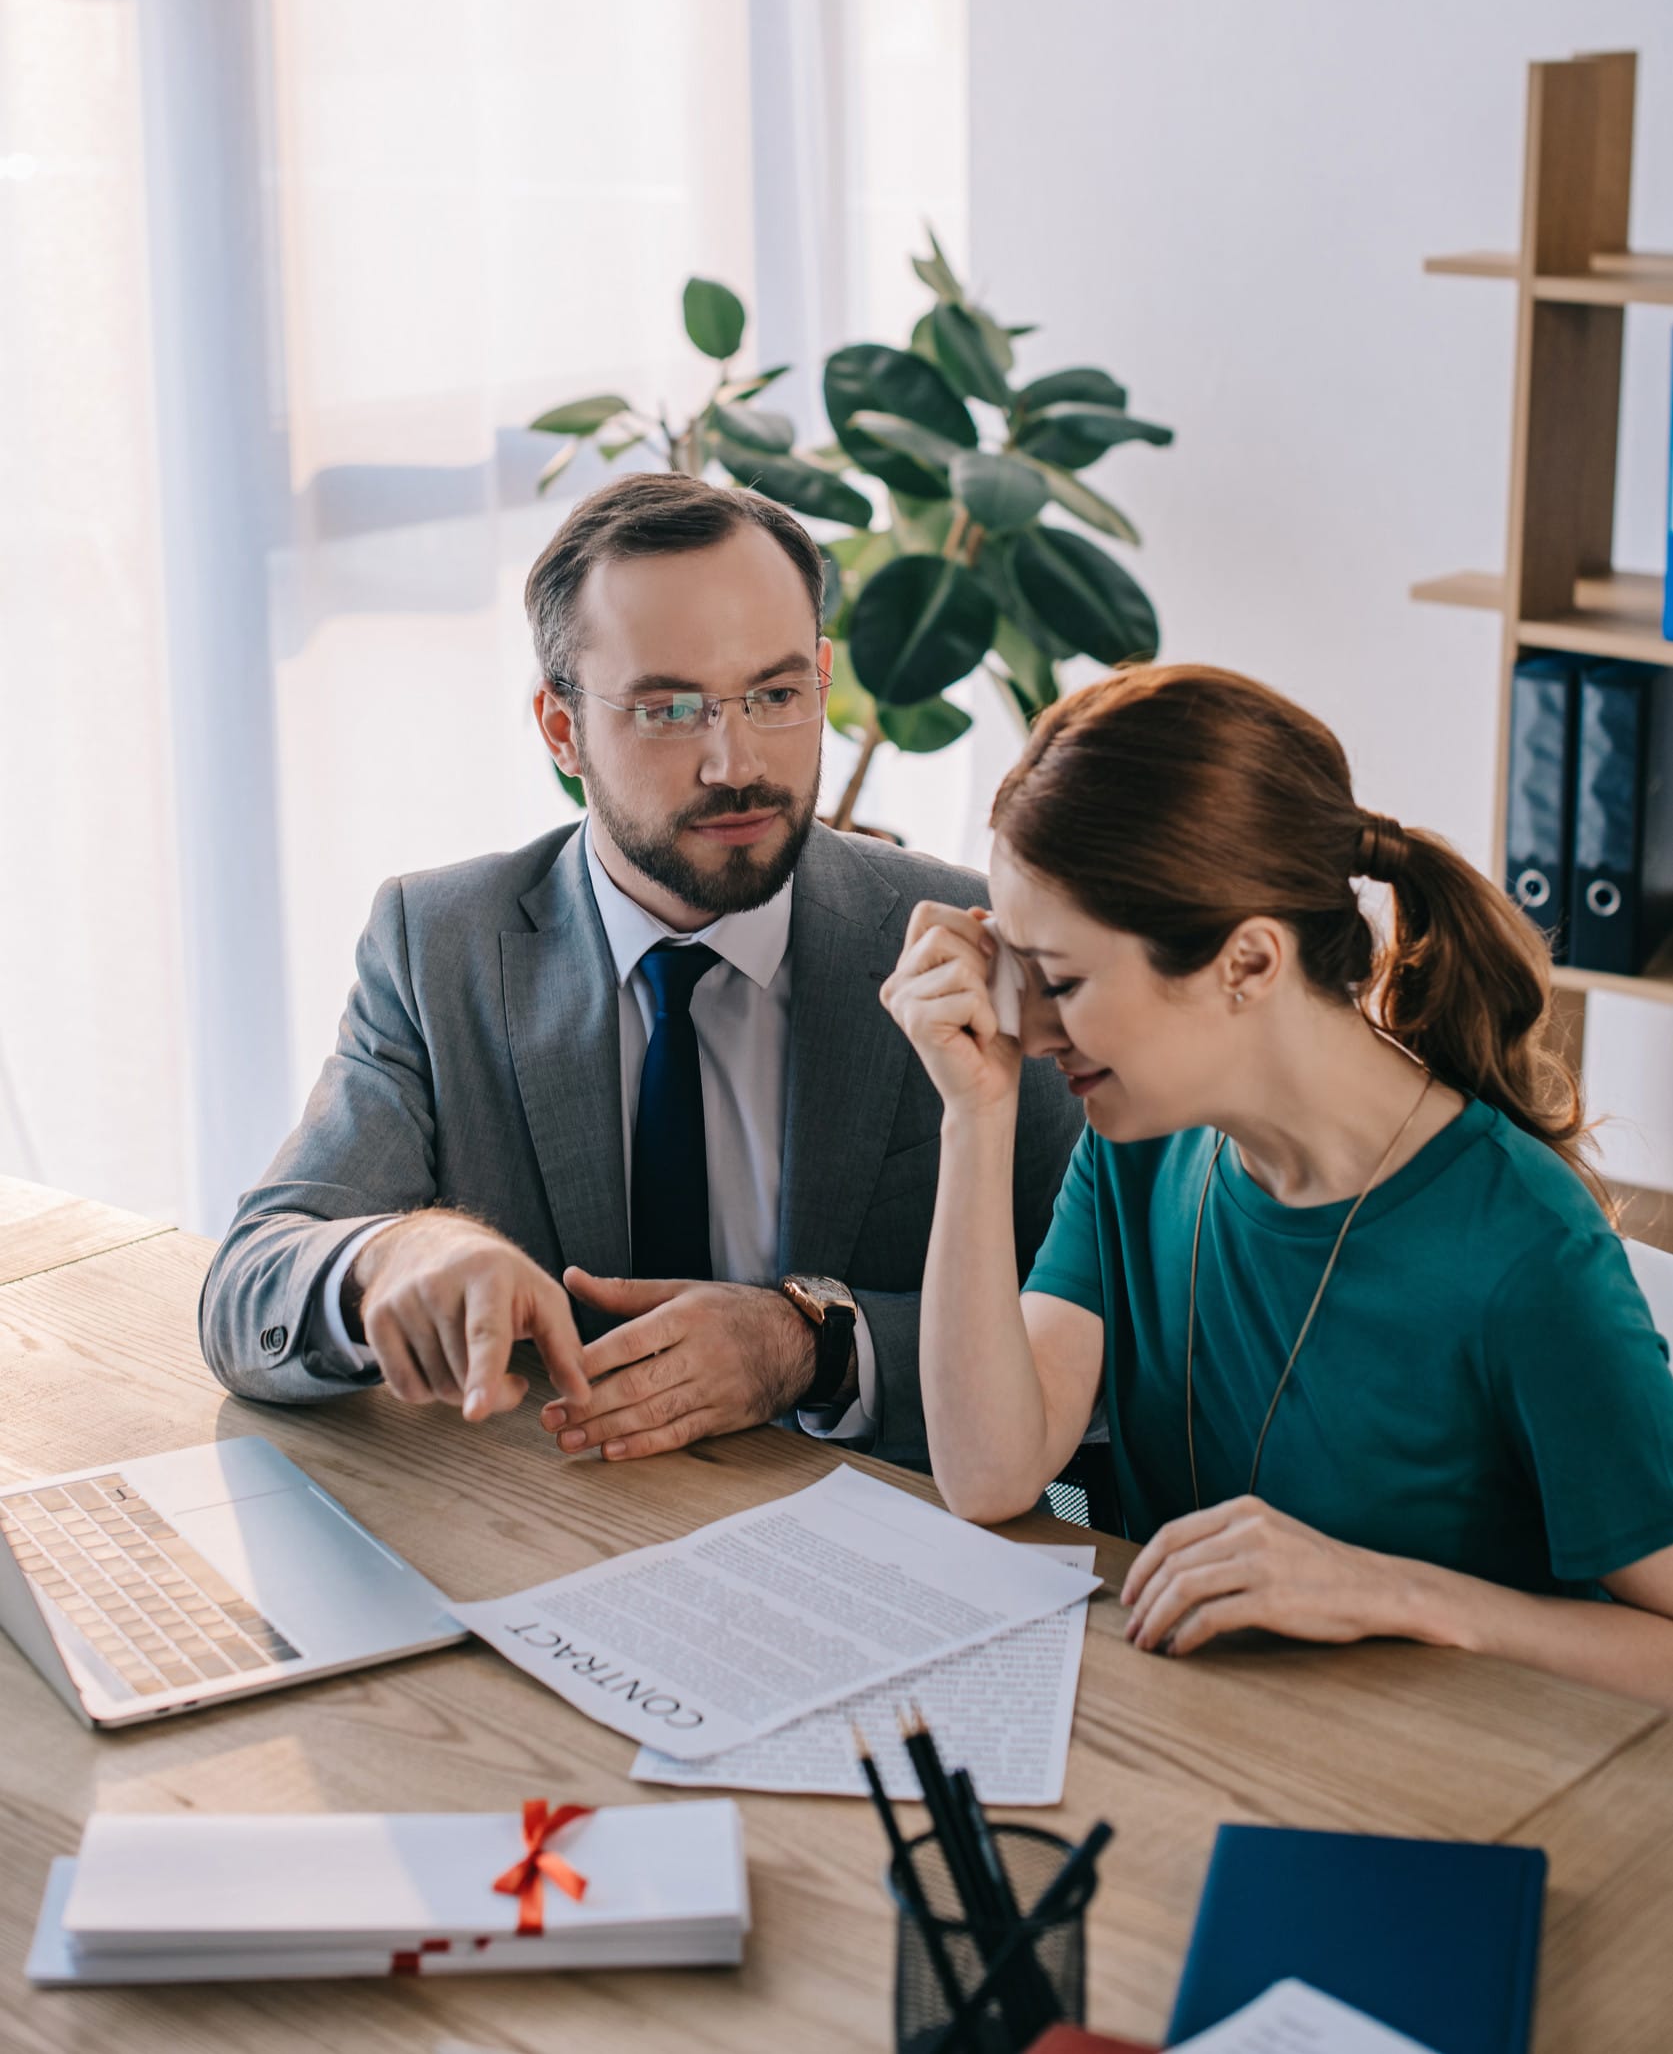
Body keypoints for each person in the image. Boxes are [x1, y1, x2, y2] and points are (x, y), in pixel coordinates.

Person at [199, 473, 1081, 1467]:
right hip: (556, 1545)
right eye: (668, 709)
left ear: (823, 677)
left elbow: (1105, 1325)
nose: (733, 760)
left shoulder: (954, 939)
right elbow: (248, 1289)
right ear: (560, 728)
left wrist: (813, 1345)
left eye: (776, 694)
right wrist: (395, 1253)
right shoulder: (439, 944)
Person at [882, 661, 1673, 1705]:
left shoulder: (1523, 1249)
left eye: (1060, 979)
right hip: (1211, 1736)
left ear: (1246, 962)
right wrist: (972, 1113)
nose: (1024, 1028)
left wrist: (1399, 1593)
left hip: (1437, 1790)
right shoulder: (1136, 1143)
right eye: (1014, 966)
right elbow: (989, 1474)